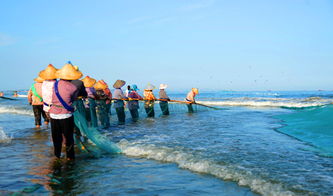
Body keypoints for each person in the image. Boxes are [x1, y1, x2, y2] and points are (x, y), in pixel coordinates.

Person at [49, 62, 82, 160]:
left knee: (56, 137)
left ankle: (57, 155)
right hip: (66, 115)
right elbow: (73, 99)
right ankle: (70, 157)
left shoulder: (54, 85)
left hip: (53, 114)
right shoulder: (73, 87)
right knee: (68, 137)